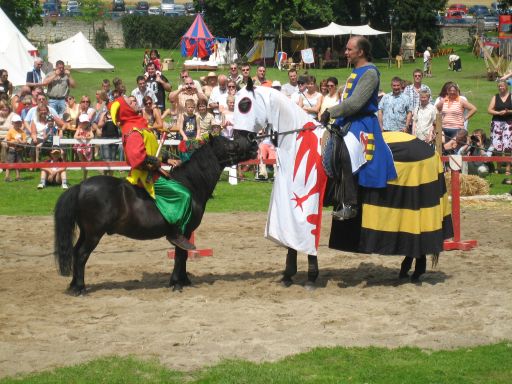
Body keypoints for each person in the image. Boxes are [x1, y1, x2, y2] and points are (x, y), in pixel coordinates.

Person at [320, 35, 397, 219]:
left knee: (347, 151)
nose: (345, 52)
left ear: (360, 52)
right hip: (347, 120)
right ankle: (333, 195)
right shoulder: (355, 71)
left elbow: (355, 103)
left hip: (362, 122)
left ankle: (351, 204)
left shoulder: (370, 73)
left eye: (349, 49)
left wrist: (331, 111)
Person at [109, 92, 195, 250]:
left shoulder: (138, 125)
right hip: (145, 177)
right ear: (126, 109)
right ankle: (175, 232)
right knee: (184, 195)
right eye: (130, 101)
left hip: (152, 171)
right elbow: (137, 159)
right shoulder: (132, 130)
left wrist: (165, 159)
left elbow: (151, 150)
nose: (134, 102)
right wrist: (155, 164)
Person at [487, 80, 512, 175]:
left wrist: (508, 112)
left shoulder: (511, 96)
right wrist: (498, 112)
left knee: (507, 145)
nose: (501, 88)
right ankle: (498, 166)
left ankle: (508, 168)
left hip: (509, 123)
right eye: (499, 86)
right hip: (497, 123)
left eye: (502, 86)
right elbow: (489, 110)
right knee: (497, 145)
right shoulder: (495, 97)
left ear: (506, 86)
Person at [97, 109, 120, 176]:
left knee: (113, 159)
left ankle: (111, 177)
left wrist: (114, 119)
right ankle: (105, 176)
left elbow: (119, 125)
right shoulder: (104, 114)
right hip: (105, 138)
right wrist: (105, 120)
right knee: (107, 158)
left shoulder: (116, 113)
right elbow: (99, 125)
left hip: (115, 138)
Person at [4, 114, 26, 182]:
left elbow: (24, 141)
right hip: (12, 150)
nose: (18, 124)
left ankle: (18, 177)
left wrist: (20, 142)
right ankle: (7, 177)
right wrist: (14, 141)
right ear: (13, 123)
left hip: (19, 150)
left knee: (18, 164)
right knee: (9, 163)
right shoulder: (10, 131)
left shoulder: (22, 132)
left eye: (19, 122)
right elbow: (7, 141)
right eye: (16, 122)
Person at [73, 114, 94, 180]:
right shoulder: (79, 128)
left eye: (86, 123)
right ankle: (81, 161)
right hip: (80, 146)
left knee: (87, 161)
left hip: (87, 147)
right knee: (79, 151)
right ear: (80, 123)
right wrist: (80, 137)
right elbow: (75, 136)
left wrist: (88, 137)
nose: (85, 124)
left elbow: (92, 136)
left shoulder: (89, 129)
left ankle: (85, 175)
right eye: (83, 123)